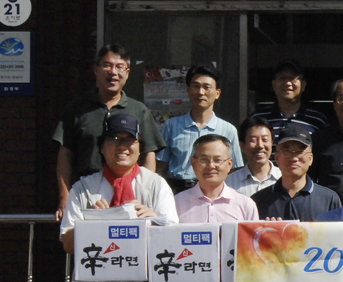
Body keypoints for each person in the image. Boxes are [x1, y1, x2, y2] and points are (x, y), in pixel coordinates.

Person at [54, 43, 163, 221]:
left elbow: (148, 153)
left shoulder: (139, 110)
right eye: (107, 65)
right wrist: (65, 197)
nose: (113, 72)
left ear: (127, 73)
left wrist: (147, 195)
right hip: (88, 192)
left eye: (120, 67)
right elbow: (65, 154)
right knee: (90, 245)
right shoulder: (76, 109)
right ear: (96, 70)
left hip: (131, 193)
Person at [60, 114, 178, 254]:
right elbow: (67, 245)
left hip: (144, 273)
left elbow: (173, 241)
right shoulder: (83, 188)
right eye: (115, 139)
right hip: (99, 271)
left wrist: (154, 222)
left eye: (130, 140)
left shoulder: (156, 184)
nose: (122, 146)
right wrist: (90, 225)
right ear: (102, 147)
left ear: (140, 148)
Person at [156, 65, 243, 191]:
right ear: (188, 90)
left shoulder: (228, 130)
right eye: (196, 86)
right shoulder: (171, 126)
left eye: (207, 87)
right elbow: (160, 167)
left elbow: (234, 171)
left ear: (217, 93)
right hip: (177, 190)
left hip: (214, 191)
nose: (201, 92)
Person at [252, 122, 342, 221]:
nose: (294, 158)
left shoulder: (329, 200)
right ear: (276, 157)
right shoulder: (259, 201)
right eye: (287, 151)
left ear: (310, 158)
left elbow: (336, 236)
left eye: (300, 151)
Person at [175, 134, 259, 223]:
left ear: (229, 164)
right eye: (204, 159)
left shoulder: (245, 204)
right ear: (193, 163)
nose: (211, 166)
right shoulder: (176, 203)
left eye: (218, 160)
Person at [252, 60, 328, 136]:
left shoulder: (318, 120)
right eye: (282, 78)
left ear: (303, 85)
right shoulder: (258, 118)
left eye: (293, 78)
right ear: (273, 84)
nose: (287, 83)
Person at [228, 115, 281, 196]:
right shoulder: (229, 182)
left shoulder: (283, 178)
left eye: (264, 140)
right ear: (242, 146)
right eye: (253, 140)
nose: (260, 145)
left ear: (271, 144)